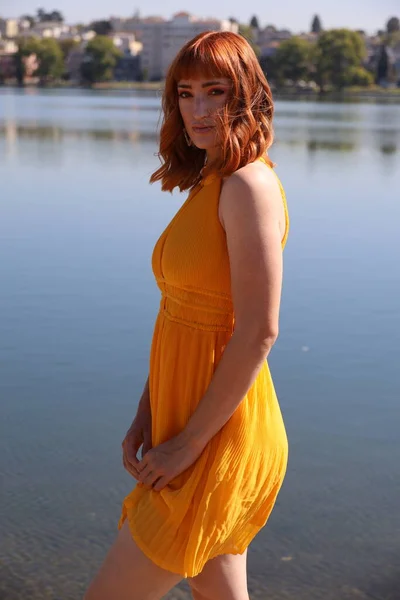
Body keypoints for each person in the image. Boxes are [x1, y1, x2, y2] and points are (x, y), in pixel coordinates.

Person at [84, 30, 289, 600]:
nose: (197, 110)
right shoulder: (211, 181)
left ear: (245, 96)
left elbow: (258, 331)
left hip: (219, 436)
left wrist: (187, 445)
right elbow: (184, 317)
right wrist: (147, 413)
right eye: (185, 93)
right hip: (185, 423)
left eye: (215, 92)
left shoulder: (249, 185)